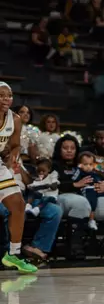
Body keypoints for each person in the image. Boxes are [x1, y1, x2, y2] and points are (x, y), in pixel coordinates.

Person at [0, 83, 36, 273]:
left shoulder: (15, 119)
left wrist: (12, 158)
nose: (6, 99)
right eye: (1, 95)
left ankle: (13, 255)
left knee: (18, 205)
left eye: (9, 95)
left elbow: (14, 145)